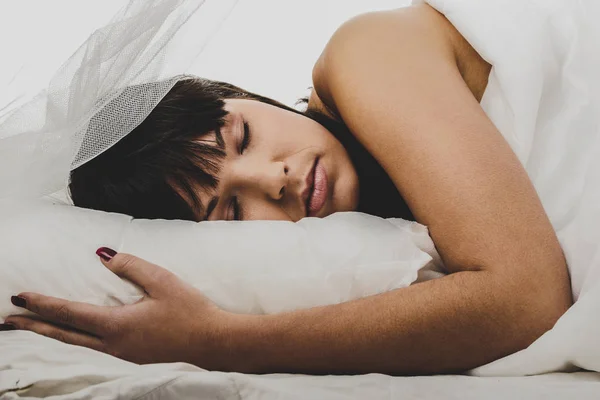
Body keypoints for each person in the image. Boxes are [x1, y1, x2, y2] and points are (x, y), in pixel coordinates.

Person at [1, 4, 572, 375]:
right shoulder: (389, 245)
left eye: (242, 136)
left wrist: (216, 341)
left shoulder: (365, 56)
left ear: (242, 92)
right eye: (230, 213)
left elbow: (525, 300)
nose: (272, 180)